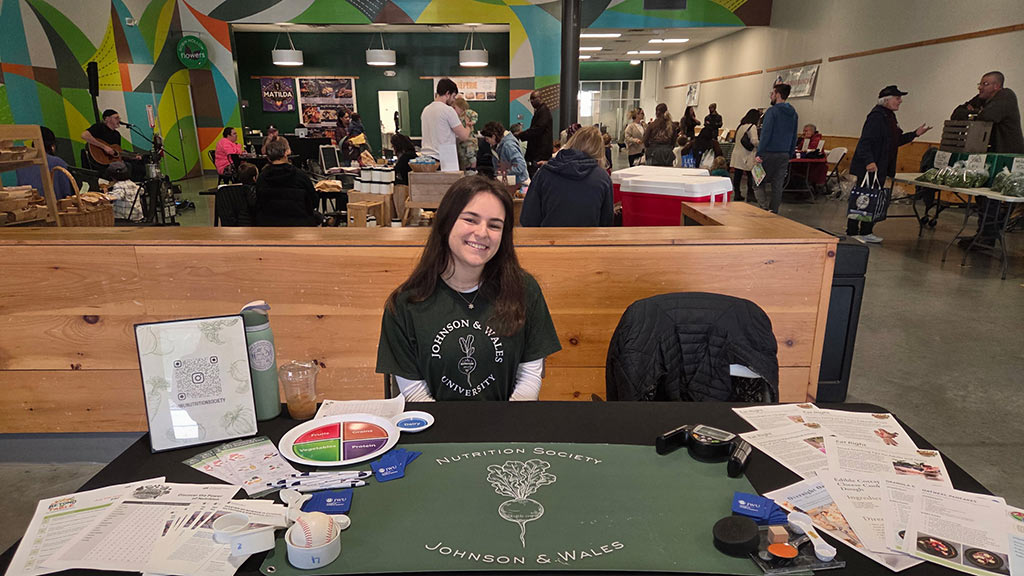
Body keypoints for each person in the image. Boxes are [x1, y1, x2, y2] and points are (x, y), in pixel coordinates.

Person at [376, 175, 562, 401]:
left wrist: (505, 429)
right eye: (471, 220)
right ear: (447, 221)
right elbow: (415, 393)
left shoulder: (525, 290)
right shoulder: (405, 304)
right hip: (437, 429)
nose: (482, 233)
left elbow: (530, 376)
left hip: (507, 427)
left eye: (494, 225)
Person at [846, 85, 931, 243]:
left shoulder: (889, 117)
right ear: (886, 100)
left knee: (873, 199)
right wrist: (869, 161)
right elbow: (865, 141)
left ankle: (866, 231)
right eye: (897, 98)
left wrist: (915, 134)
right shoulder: (876, 116)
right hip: (871, 166)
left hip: (881, 166)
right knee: (863, 198)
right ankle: (852, 231)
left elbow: (895, 141)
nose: (900, 101)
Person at [967, 71, 1023, 244]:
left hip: (1008, 157)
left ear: (996, 86)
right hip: (995, 156)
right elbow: (959, 111)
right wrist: (978, 110)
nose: (980, 87)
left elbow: (988, 116)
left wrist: (976, 112)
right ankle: (986, 233)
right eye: (980, 83)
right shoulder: (985, 99)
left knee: (992, 196)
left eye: (985, 84)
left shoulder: (1006, 96)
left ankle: (987, 235)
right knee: (985, 195)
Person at [520, 126, 613, 228]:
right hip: (587, 242)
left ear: (573, 142)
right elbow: (606, 223)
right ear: (599, 151)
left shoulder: (544, 172)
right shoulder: (603, 178)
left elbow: (527, 219)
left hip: (548, 241)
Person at [754, 83, 799, 213]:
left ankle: (764, 208)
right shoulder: (793, 113)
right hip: (784, 153)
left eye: (772, 94)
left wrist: (759, 153)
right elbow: (794, 135)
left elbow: (766, 134)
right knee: (777, 185)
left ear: (778, 95)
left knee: (757, 182)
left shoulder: (772, 112)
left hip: (769, 152)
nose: (771, 96)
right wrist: (790, 153)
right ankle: (774, 211)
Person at [253, 138, 318, 226]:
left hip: (269, 225)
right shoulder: (300, 175)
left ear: (268, 158)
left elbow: (258, 202)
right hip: (300, 223)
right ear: (286, 153)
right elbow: (313, 201)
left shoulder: (262, 177)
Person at [420, 78, 470, 172]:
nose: (454, 100)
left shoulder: (426, 110)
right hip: (444, 159)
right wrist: (468, 126)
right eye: (453, 96)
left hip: (426, 160)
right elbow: (464, 136)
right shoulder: (448, 110)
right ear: (447, 94)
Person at [16, 126, 73, 201]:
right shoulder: (58, 163)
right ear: (52, 146)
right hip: (55, 209)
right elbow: (67, 194)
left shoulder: (22, 163)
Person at [516, 91, 553, 176]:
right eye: (530, 99)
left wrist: (521, 135)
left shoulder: (543, 111)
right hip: (539, 151)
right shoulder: (540, 111)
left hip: (540, 152)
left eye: (534, 99)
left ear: (540, 98)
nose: (532, 101)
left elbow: (537, 130)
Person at [480, 122, 528, 186]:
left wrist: (504, 171)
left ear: (494, 137)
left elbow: (521, 166)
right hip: (511, 181)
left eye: (487, 139)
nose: (486, 141)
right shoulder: (499, 145)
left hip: (518, 183)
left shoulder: (508, 145)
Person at [730, 108, 760, 202]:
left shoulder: (740, 126)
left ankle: (737, 193)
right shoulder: (752, 127)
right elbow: (754, 141)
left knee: (737, 175)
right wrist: (761, 144)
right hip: (747, 154)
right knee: (750, 175)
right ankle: (750, 194)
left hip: (737, 153)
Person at [795, 123, 827, 193]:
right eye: (804, 131)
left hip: (815, 165)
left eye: (806, 131)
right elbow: (800, 148)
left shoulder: (816, 140)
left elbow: (810, 151)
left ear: (812, 132)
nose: (804, 133)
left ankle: (804, 190)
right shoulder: (806, 139)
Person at [453, 97, 479, 171]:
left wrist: (472, 122)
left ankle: (473, 168)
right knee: (462, 156)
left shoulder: (467, 113)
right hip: (460, 140)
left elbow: (475, 115)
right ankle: (467, 169)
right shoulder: (454, 115)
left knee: (471, 155)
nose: (461, 111)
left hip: (469, 139)